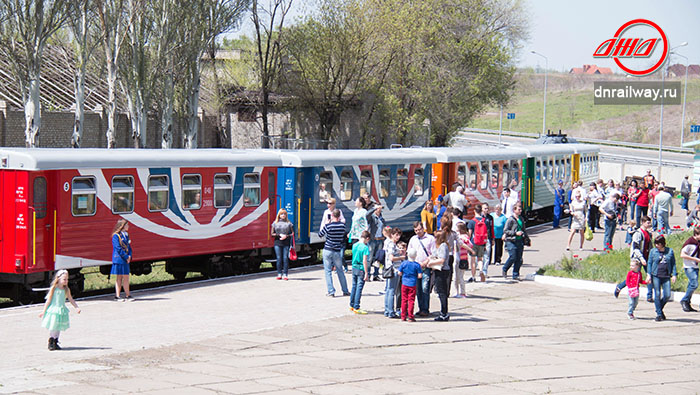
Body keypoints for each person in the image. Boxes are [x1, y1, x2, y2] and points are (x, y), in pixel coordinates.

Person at [39, 270, 81, 350]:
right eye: (64, 279)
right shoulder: (54, 289)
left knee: (58, 327)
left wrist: (76, 307)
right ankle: (51, 341)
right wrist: (43, 311)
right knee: (53, 326)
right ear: (58, 279)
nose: (66, 281)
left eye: (67, 279)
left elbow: (71, 299)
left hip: (61, 310)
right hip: (54, 310)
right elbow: (48, 300)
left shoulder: (66, 289)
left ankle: (55, 341)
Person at [614, 216, 654, 301]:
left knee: (650, 275)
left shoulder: (649, 234)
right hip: (638, 258)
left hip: (647, 258)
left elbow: (650, 246)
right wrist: (641, 258)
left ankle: (649, 296)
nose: (649, 224)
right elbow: (635, 247)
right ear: (643, 222)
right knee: (634, 276)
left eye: (650, 222)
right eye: (648, 222)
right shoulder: (638, 233)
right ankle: (619, 287)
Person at [319, 209, 349, 297]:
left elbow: (320, 234)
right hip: (337, 250)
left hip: (328, 249)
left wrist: (327, 223)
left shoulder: (329, 226)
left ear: (332, 216)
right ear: (339, 216)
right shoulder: (342, 226)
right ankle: (345, 290)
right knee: (340, 271)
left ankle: (331, 291)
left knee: (328, 271)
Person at [646, 235, 677, 322]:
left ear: (663, 244)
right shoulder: (653, 251)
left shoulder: (669, 251)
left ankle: (658, 308)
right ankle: (659, 314)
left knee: (667, 295)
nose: (657, 246)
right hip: (656, 275)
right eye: (656, 244)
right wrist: (649, 274)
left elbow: (673, 263)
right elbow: (649, 263)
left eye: (658, 244)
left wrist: (674, 274)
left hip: (666, 275)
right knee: (657, 293)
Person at [408, 221, 435, 317]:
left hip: (425, 267)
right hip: (416, 267)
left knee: (425, 288)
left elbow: (433, 253)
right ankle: (420, 308)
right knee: (418, 289)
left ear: (423, 228)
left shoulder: (430, 239)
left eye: (419, 229)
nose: (418, 232)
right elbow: (409, 252)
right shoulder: (413, 239)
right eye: (416, 230)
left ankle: (425, 309)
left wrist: (425, 262)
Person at [428, 230, 451, 321]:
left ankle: (444, 313)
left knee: (442, 292)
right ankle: (443, 311)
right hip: (437, 270)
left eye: (435, 237)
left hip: (442, 271)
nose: (434, 239)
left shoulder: (443, 246)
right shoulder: (438, 246)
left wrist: (431, 263)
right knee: (440, 292)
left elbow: (442, 260)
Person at [502, 204, 529, 281]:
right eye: (518, 210)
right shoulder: (510, 219)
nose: (520, 211)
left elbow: (524, 229)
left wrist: (527, 239)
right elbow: (506, 230)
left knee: (519, 258)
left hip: (520, 240)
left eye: (521, 210)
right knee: (513, 256)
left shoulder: (521, 219)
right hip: (511, 240)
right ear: (514, 210)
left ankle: (515, 274)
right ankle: (505, 268)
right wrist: (515, 233)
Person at [384, 227, 405, 318]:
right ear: (392, 235)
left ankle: (387, 310)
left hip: (389, 268)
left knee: (388, 290)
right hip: (394, 269)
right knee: (392, 290)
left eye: (399, 235)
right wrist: (401, 258)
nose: (398, 237)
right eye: (396, 235)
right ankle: (391, 311)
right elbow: (391, 258)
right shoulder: (392, 244)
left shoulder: (389, 243)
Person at [349, 231, 371, 314]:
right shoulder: (365, 248)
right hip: (361, 268)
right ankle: (356, 307)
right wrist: (366, 273)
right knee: (359, 288)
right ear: (367, 238)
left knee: (354, 286)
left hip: (354, 267)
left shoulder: (355, 245)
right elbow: (364, 261)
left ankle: (351, 305)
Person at [398, 248, 423, 321]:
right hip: (412, 284)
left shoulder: (404, 263)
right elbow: (420, 275)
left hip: (404, 283)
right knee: (411, 300)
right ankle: (411, 316)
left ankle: (403, 316)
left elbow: (399, 273)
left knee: (404, 300)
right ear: (416, 255)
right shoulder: (417, 265)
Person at [111, 219, 133, 301]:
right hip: (119, 259)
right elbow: (118, 248)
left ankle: (128, 295)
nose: (128, 226)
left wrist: (130, 255)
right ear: (122, 226)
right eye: (127, 225)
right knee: (119, 278)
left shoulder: (126, 235)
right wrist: (126, 257)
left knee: (126, 277)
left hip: (125, 258)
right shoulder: (116, 236)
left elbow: (129, 247)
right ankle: (117, 296)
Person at [679, 227, 700, 312]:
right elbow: (682, 255)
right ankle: (684, 300)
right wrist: (695, 259)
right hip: (689, 266)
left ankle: (687, 302)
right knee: (694, 283)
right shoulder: (690, 243)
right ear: (696, 235)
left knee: (691, 284)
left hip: (695, 266)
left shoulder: (698, 243)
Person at [271, 209, 294, 280]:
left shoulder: (289, 223)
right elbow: (272, 234)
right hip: (278, 242)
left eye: (284, 214)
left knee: (285, 258)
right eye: (282, 214)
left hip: (286, 243)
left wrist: (286, 236)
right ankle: (279, 273)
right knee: (279, 258)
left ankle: (285, 274)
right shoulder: (275, 223)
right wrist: (279, 235)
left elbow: (292, 233)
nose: (283, 215)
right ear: (279, 215)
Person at [467, 204, 488, 283]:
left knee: (473, 260)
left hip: (474, 242)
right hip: (482, 242)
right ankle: (481, 270)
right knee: (480, 259)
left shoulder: (472, 221)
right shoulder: (484, 220)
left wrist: (468, 242)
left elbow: (470, 234)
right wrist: (485, 243)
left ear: (474, 211)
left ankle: (473, 276)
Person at [455, 222, 475, 297]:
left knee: (460, 276)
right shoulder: (458, 236)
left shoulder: (463, 237)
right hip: (457, 257)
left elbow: (470, 245)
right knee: (456, 276)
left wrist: (464, 242)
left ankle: (462, 292)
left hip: (462, 258)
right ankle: (457, 291)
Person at [368, 205, 385, 281]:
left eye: (380, 209)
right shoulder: (371, 217)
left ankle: (376, 274)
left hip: (380, 240)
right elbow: (366, 215)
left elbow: (383, 228)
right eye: (379, 208)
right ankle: (367, 274)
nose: (380, 210)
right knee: (370, 258)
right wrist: (373, 208)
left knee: (378, 258)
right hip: (372, 240)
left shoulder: (381, 218)